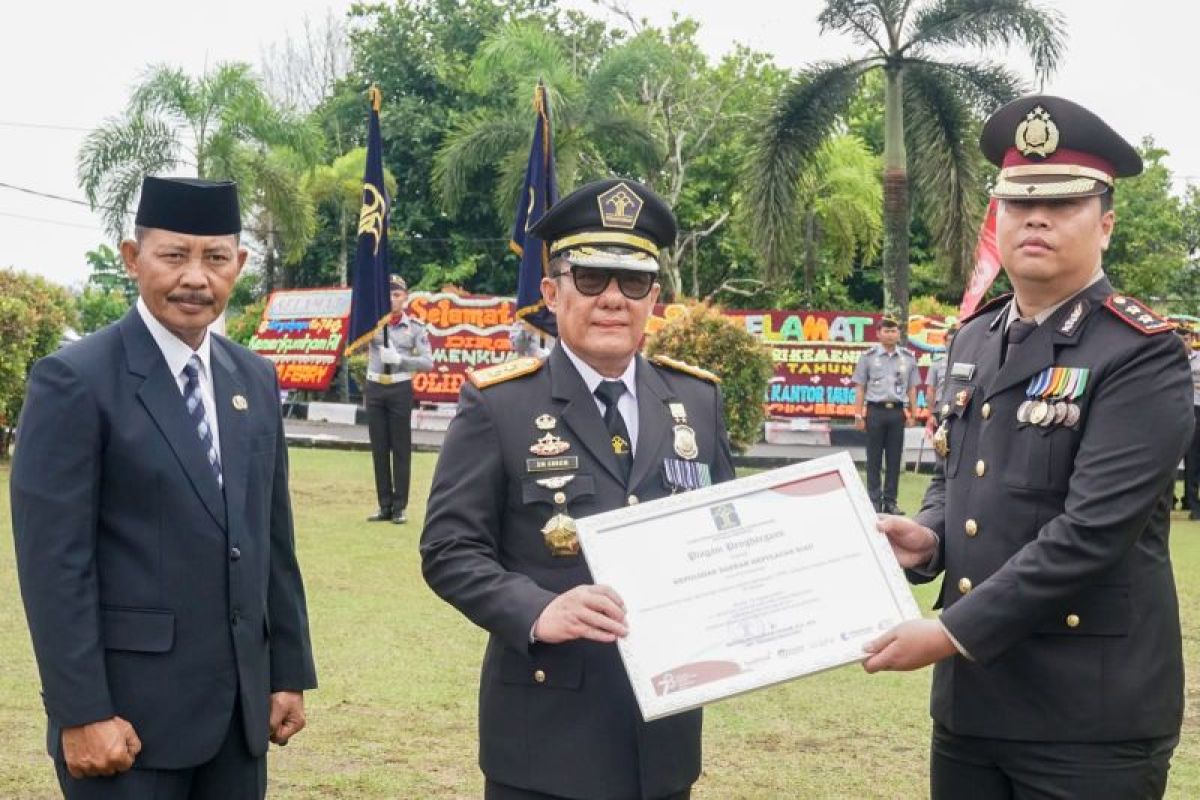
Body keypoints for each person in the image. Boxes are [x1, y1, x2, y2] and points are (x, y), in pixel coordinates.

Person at [862, 96, 1195, 799]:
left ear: (1105, 222)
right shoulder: (975, 337)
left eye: (1063, 202)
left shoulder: (1140, 354)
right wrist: (926, 537)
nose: (1035, 218)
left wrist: (948, 633)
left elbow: (1090, 533)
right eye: (1017, 204)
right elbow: (964, 480)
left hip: (1088, 716)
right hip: (975, 708)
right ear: (999, 220)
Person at [420, 178, 736, 800]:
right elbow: (449, 550)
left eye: (633, 282)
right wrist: (537, 609)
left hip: (662, 738)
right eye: (589, 278)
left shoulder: (698, 400)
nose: (612, 299)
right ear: (551, 291)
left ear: (656, 298)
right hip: (545, 739)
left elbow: (726, 527)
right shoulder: (500, 403)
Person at [10, 177, 318, 799]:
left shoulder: (253, 378)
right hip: (127, 725)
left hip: (238, 718)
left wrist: (286, 672)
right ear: (133, 257)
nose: (195, 278)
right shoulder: (75, 380)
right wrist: (82, 712)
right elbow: (54, 566)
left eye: (216, 258)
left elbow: (270, 541)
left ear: (241, 264)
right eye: (174, 255)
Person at [364, 274, 433, 524]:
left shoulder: (414, 327)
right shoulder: (372, 324)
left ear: (405, 297)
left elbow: (428, 362)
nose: (392, 299)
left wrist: (401, 360)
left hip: (400, 388)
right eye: (388, 295)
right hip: (374, 387)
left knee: (400, 449)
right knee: (379, 449)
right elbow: (355, 343)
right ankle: (384, 505)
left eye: (396, 295)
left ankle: (399, 506)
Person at [852, 317, 920, 514]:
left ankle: (890, 501)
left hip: (897, 412)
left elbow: (912, 388)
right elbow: (860, 388)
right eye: (886, 331)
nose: (890, 334)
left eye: (894, 331)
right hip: (875, 411)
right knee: (873, 458)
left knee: (894, 458)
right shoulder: (868, 357)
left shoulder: (908, 358)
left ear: (899, 334)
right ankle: (874, 500)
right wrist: (858, 414)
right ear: (878, 333)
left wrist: (914, 413)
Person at [1182, 324, 1200, 520]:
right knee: (1191, 460)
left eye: (1187, 339)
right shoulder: (1172, 359)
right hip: (1187, 409)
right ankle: (1192, 503)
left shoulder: (1199, 359)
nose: (1184, 342)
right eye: (1181, 339)